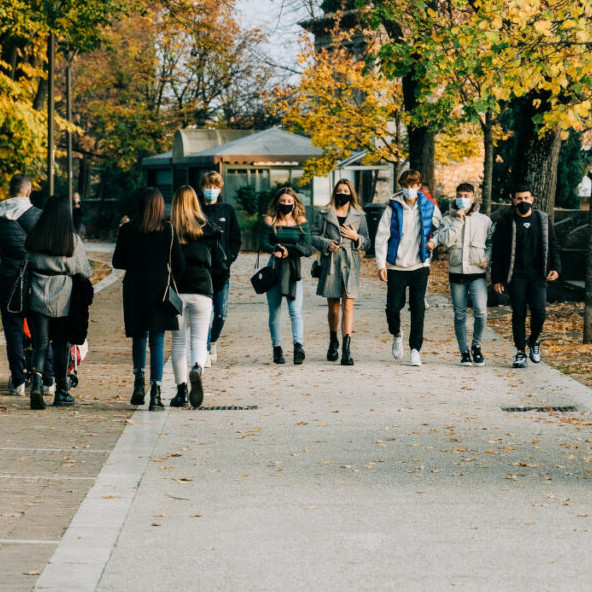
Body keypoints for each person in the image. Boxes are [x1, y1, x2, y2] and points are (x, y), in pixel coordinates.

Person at [113, 187, 185, 410]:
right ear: (159, 206)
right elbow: (179, 264)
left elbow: (117, 262)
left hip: (134, 289)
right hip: (159, 290)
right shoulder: (168, 230)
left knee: (138, 336)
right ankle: (156, 392)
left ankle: (138, 381)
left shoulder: (127, 229)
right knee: (157, 340)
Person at [25, 194, 92, 409]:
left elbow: (28, 262)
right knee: (62, 345)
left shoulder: (35, 237)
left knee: (41, 344)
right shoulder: (71, 240)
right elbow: (83, 270)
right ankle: (61, 391)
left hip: (37, 298)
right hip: (63, 299)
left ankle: (36, 383)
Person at [375, 169, 442, 366]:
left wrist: (434, 242)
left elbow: (442, 226)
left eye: (413, 185)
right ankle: (397, 333)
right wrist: (381, 265)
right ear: (401, 186)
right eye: (406, 185)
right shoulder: (393, 208)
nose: (409, 189)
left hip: (420, 264)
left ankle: (415, 349)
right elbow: (381, 237)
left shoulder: (429, 206)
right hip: (396, 265)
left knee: (418, 308)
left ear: (419, 186)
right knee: (393, 307)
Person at [491, 184, 561, 368]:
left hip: (538, 276)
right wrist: (497, 278)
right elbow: (497, 252)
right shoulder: (505, 222)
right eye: (519, 199)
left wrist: (556, 267)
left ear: (532, 200)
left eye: (526, 198)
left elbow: (553, 245)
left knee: (539, 312)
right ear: (513, 201)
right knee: (518, 314)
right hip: (516, 277)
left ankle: (534, 340)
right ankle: (520, 351)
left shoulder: (543, 220)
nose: (523, 202)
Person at [0, 174, 53, 396]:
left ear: (11, 191)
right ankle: (48, 379)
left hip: (6, 281)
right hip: (34, 280)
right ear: (29, 192)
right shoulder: (39, 217)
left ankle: (18, 381)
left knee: (12, 331)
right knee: (41, 332)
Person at [169, 185, 221, 409]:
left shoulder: (169, 229)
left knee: (178, 342)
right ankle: (198, 367)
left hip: (177, 288)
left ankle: (181, 391)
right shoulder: (207, 227)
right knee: (199, 339)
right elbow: (219, 260)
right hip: (202, 286)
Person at [311, 179, 370, 365]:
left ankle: (346, 348)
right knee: (334, 307)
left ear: (351, 193)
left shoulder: (359, 215)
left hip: (351, 262)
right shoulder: (324, 213)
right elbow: (313, 236)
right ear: (334, 192)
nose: (342, 193)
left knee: (348, 305)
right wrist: (326, 244)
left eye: (345, 190)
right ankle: (332, 339)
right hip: (331, 262)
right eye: (339, 190)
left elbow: (367, 241)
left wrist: (356, 237)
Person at [435, 183, 492, 366]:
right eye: (459, 194)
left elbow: (492, 242)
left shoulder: (484, 220)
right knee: (460, 315)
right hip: (457, 272)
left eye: (466, 195)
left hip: (477, 272)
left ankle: (476, 346)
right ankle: (464, 352)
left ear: (474, 198)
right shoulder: (448, 219)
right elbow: (444, 241)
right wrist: (458, 221)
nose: (463, 198)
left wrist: (488, 258)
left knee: (481, 312)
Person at [260, 187, 313, 364]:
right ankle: (277, 348)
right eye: (283, 201)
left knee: (295, 311)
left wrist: (288, 251)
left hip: (293, 270)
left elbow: (308, 248)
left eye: (289, 202)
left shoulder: (301, 222)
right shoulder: (270, 220)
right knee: (274, 311)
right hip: (275, 268)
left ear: (295, 203)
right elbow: (263, 243)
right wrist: (276, 249)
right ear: (277, 202)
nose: (286, 204)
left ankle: (298, 346)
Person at [199, 172, 241, 367]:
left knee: (221, 313)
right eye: (208, 186)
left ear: (221, 189)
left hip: (221, 271)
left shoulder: (227, 210)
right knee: (204, 313)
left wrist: (228, 259)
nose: (211, 190)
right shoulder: (196, 210)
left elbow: (235, 239)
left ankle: (213, 341)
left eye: (215, 186)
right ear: (202, 188)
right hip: (201, 270)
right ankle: (205, 348)